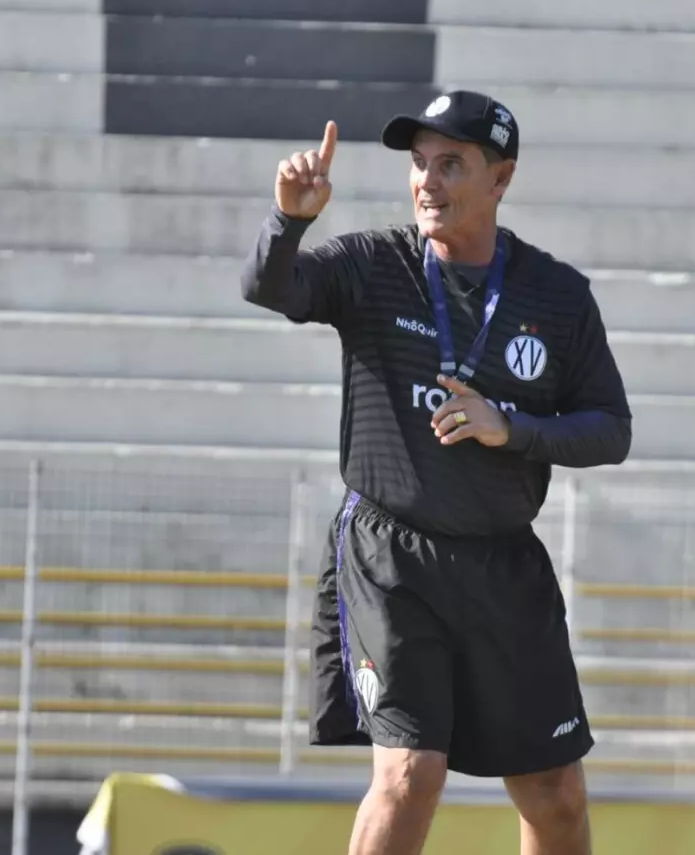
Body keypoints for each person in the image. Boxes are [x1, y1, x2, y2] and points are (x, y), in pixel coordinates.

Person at [241, 90, 632, 855]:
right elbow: (270, 287)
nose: (427, 181)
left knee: (556, 796)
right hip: (392, 558)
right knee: (411, 774)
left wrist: (510, 427)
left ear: (501, 179)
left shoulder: (556, 296)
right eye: (419, 164)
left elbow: (610, 430)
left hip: (504, 566)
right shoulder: (372, 264)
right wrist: (290, 219)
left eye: (450, 164)